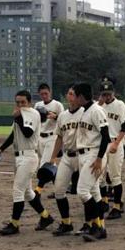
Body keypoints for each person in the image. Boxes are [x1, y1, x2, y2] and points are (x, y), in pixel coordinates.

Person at [0, 90, 55, 235]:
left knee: (18, 191)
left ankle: (14, 224)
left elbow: (27, 132)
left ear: (29, 102)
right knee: (28, 192)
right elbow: (14, 135)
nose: (20, 105)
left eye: (23, 102)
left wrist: (18, 118)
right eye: (17, 102)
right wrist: (1, 149)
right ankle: (46, 217)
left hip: (28, 157)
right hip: (19, 157)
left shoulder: (32, 114)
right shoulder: (20, 115)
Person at [73, 82, 111, 242]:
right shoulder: (85, 110)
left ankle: (96, 226)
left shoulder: (96, 110)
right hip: (85, 154)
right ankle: (101, 228)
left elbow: (106, 136)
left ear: (81, 96)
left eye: (75, 95)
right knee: (95, 192)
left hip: (94, 155)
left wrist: (99, 159)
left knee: (82, 191)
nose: (73, 98)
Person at [48, 86, 84, 236]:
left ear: (78, 97)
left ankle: (92, 223)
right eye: (68, 93)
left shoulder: (86, 112)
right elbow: (60, 137)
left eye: (71, 93)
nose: (68, 96)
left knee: (86, 192)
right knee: (59, 190)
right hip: (67, 156)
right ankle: (66, 223)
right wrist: (52, 157)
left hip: (83, 155)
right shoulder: (62, 116)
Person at [97, 79, 125, 220]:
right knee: (100, 176)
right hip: (102, 144)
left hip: (115, 141)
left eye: (109, 94)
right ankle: (104, 202)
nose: (107, 97)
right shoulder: (98, 107)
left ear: (113, 92)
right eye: (104, 94)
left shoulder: (120, 104)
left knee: (115, 176)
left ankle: (116, 206)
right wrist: (99, 103)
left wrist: (117, 143)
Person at [33, 83, 64, 196]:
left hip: (53, 137)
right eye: (42, 94)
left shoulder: (57, 105)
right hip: (40, 137)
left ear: (50, 92)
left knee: (45, 164)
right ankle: (59, 190)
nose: (44, 96)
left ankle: (38, 190)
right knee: (51, 166)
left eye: (46, 93)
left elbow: (63, 120)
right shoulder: (38, 105)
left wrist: (55, 116)